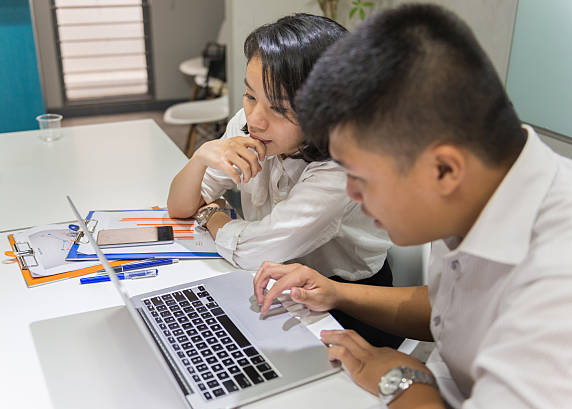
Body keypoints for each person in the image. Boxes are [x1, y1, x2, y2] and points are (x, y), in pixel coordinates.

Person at [253, 4, 572, 409]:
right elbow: (451, 309)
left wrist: (403, 383)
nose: (352, 194)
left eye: (362, 177)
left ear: (444, 169)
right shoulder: (482, 188)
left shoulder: (557, 286)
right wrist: (338, 293)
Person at [167, 14, 401, 347]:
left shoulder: (343, 167)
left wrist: (214, 215)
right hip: (276, 287)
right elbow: (179, 206)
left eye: (279, 108)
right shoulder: (249, 125)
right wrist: (204, 154)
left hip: (348, 306)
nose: (256, 119)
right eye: (250, 96)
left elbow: (253, 251)